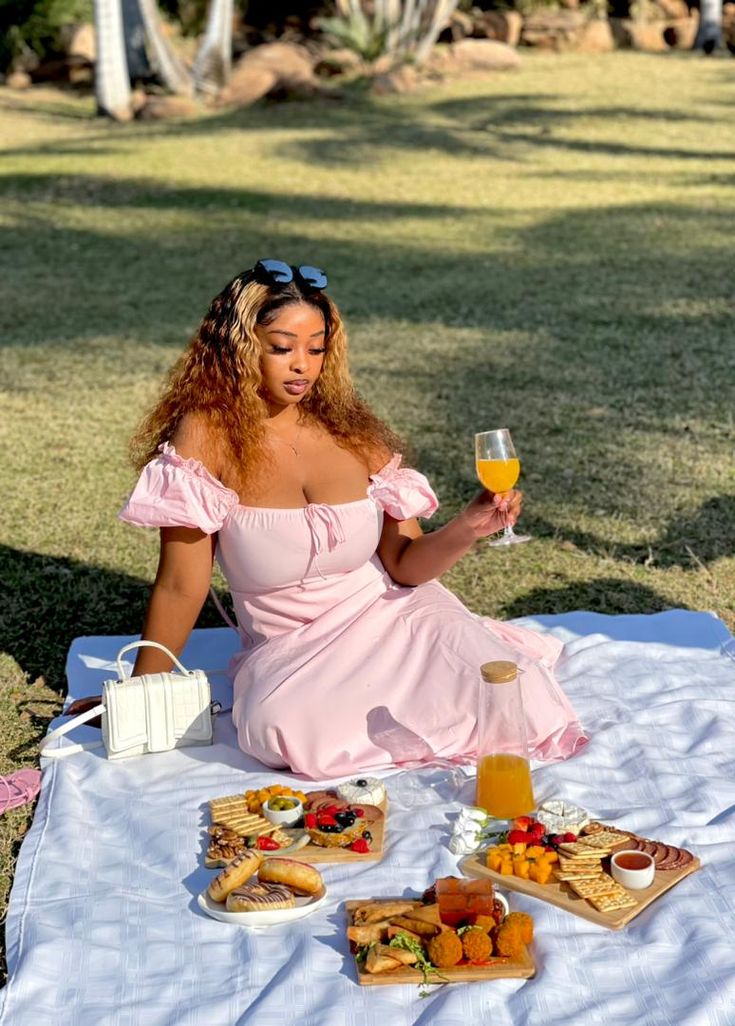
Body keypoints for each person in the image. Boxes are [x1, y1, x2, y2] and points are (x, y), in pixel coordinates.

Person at [120, 259, 587, 779]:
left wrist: (470, 526)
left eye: (316, 348)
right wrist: (143, 696)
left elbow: (405, 567)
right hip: (294, 648)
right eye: (282, 347)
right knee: (284, 730)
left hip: (396, 611)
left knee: (513, 693)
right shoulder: (206, 437)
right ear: (239, 346)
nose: (303, 365)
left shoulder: (352, 431)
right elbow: (182, 585)